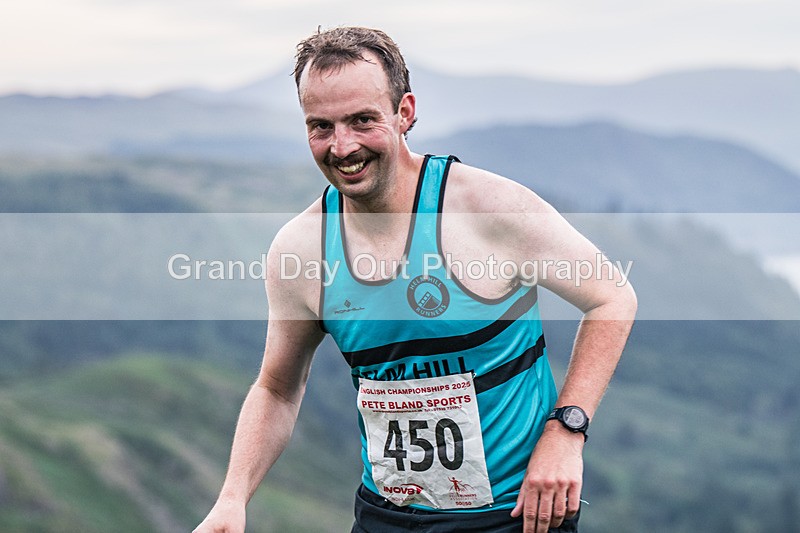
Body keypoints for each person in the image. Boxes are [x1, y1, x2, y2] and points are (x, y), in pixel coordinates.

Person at [195, 26, 637, 533]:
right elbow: (276, 387)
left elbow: (611, 297)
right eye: (321, 126)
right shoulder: (301, 250)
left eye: (363, 120)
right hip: (385, 518)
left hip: (516, 516)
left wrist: (567, 431)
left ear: (405, 112)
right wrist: (232, 499)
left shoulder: (491, 209)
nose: (342, 147)